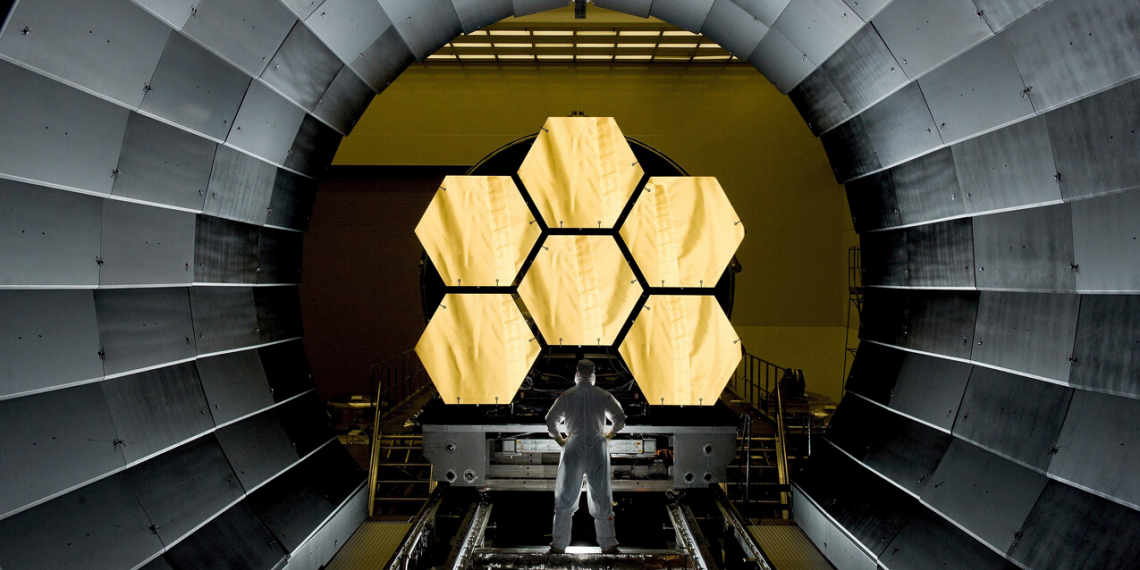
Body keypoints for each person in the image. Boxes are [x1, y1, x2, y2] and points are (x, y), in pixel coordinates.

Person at [545, 359, 627, 554]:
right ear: (593, 374)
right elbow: (620, 418)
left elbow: (550, 420)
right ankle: (608, 544)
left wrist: (559, 439)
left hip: (573, 445)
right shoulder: (602, 395)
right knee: (601, 495)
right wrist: (609, 435)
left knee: (566, 495)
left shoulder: (567, 395)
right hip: (597, 445)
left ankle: (558, 545)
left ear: (576, 374)